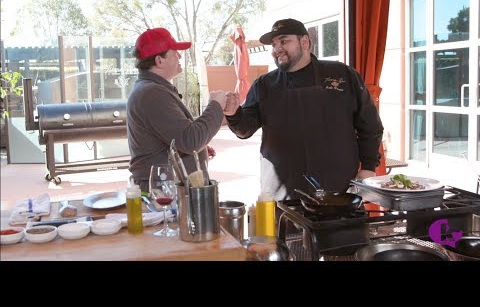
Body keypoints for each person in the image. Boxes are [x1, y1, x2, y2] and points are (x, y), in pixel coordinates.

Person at [224, 18, 384, 201]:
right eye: (274, 44)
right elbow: (245, 129)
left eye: (284, 41)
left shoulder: (343, 75)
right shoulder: (264, 85)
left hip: (339, 191)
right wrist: (233, 113)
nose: (277, 49)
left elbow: (370, 125)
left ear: (305, 42)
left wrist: (368, 167)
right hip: (282, 194)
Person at [127, 27, 227, 192]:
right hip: (161, 192)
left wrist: (196, 152)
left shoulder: (152, 89)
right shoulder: (152, 93)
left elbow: (176, 138)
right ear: (159, 61)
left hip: (164, 187)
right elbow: (190, 140)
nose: (179, 56)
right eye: (175, 53)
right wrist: (216, 105)